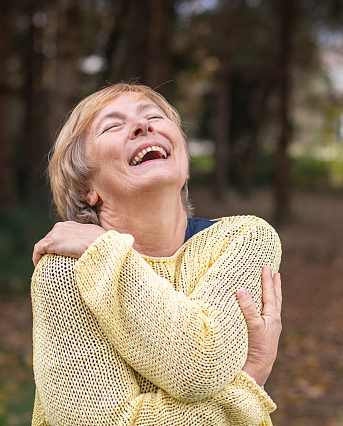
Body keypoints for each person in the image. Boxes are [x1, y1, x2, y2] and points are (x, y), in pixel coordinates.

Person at [30, 83, 283, 426]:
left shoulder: (244, 238)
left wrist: (103, 253)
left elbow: (198, 364)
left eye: (154, 116)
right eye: (113, 125)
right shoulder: (64, 271)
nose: (143, 126)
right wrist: (247, 385)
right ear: (85, 187)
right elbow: (201, 368)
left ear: (185, 165)